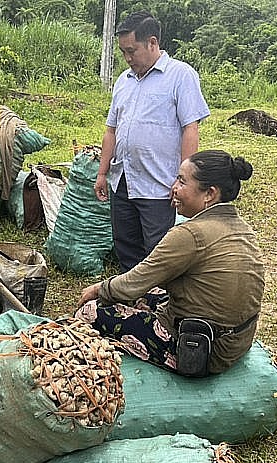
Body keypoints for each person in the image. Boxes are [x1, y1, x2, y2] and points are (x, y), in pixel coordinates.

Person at [77, 150, 264, 375]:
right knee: (148, 295)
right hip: (235, 343)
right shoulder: (241, 228)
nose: (173, 188)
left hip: (200, 350)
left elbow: (134, 282)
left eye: (182, 182)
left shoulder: (190, 234)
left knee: (91, 312)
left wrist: (99, 289)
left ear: (210, 193)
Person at [95, 10, 210, 273]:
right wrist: (103, 173)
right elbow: (111, 130)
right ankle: (131, 305)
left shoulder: (180, 75)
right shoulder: (123, 82)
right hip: (122, 180)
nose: (127, 58)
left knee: (158, 253)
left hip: (158, 185)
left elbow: (190, 129)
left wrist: (184, 180)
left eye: (132, 51)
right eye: (123, 52)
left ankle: (158, 306)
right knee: (126, 246)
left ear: (153, 43)